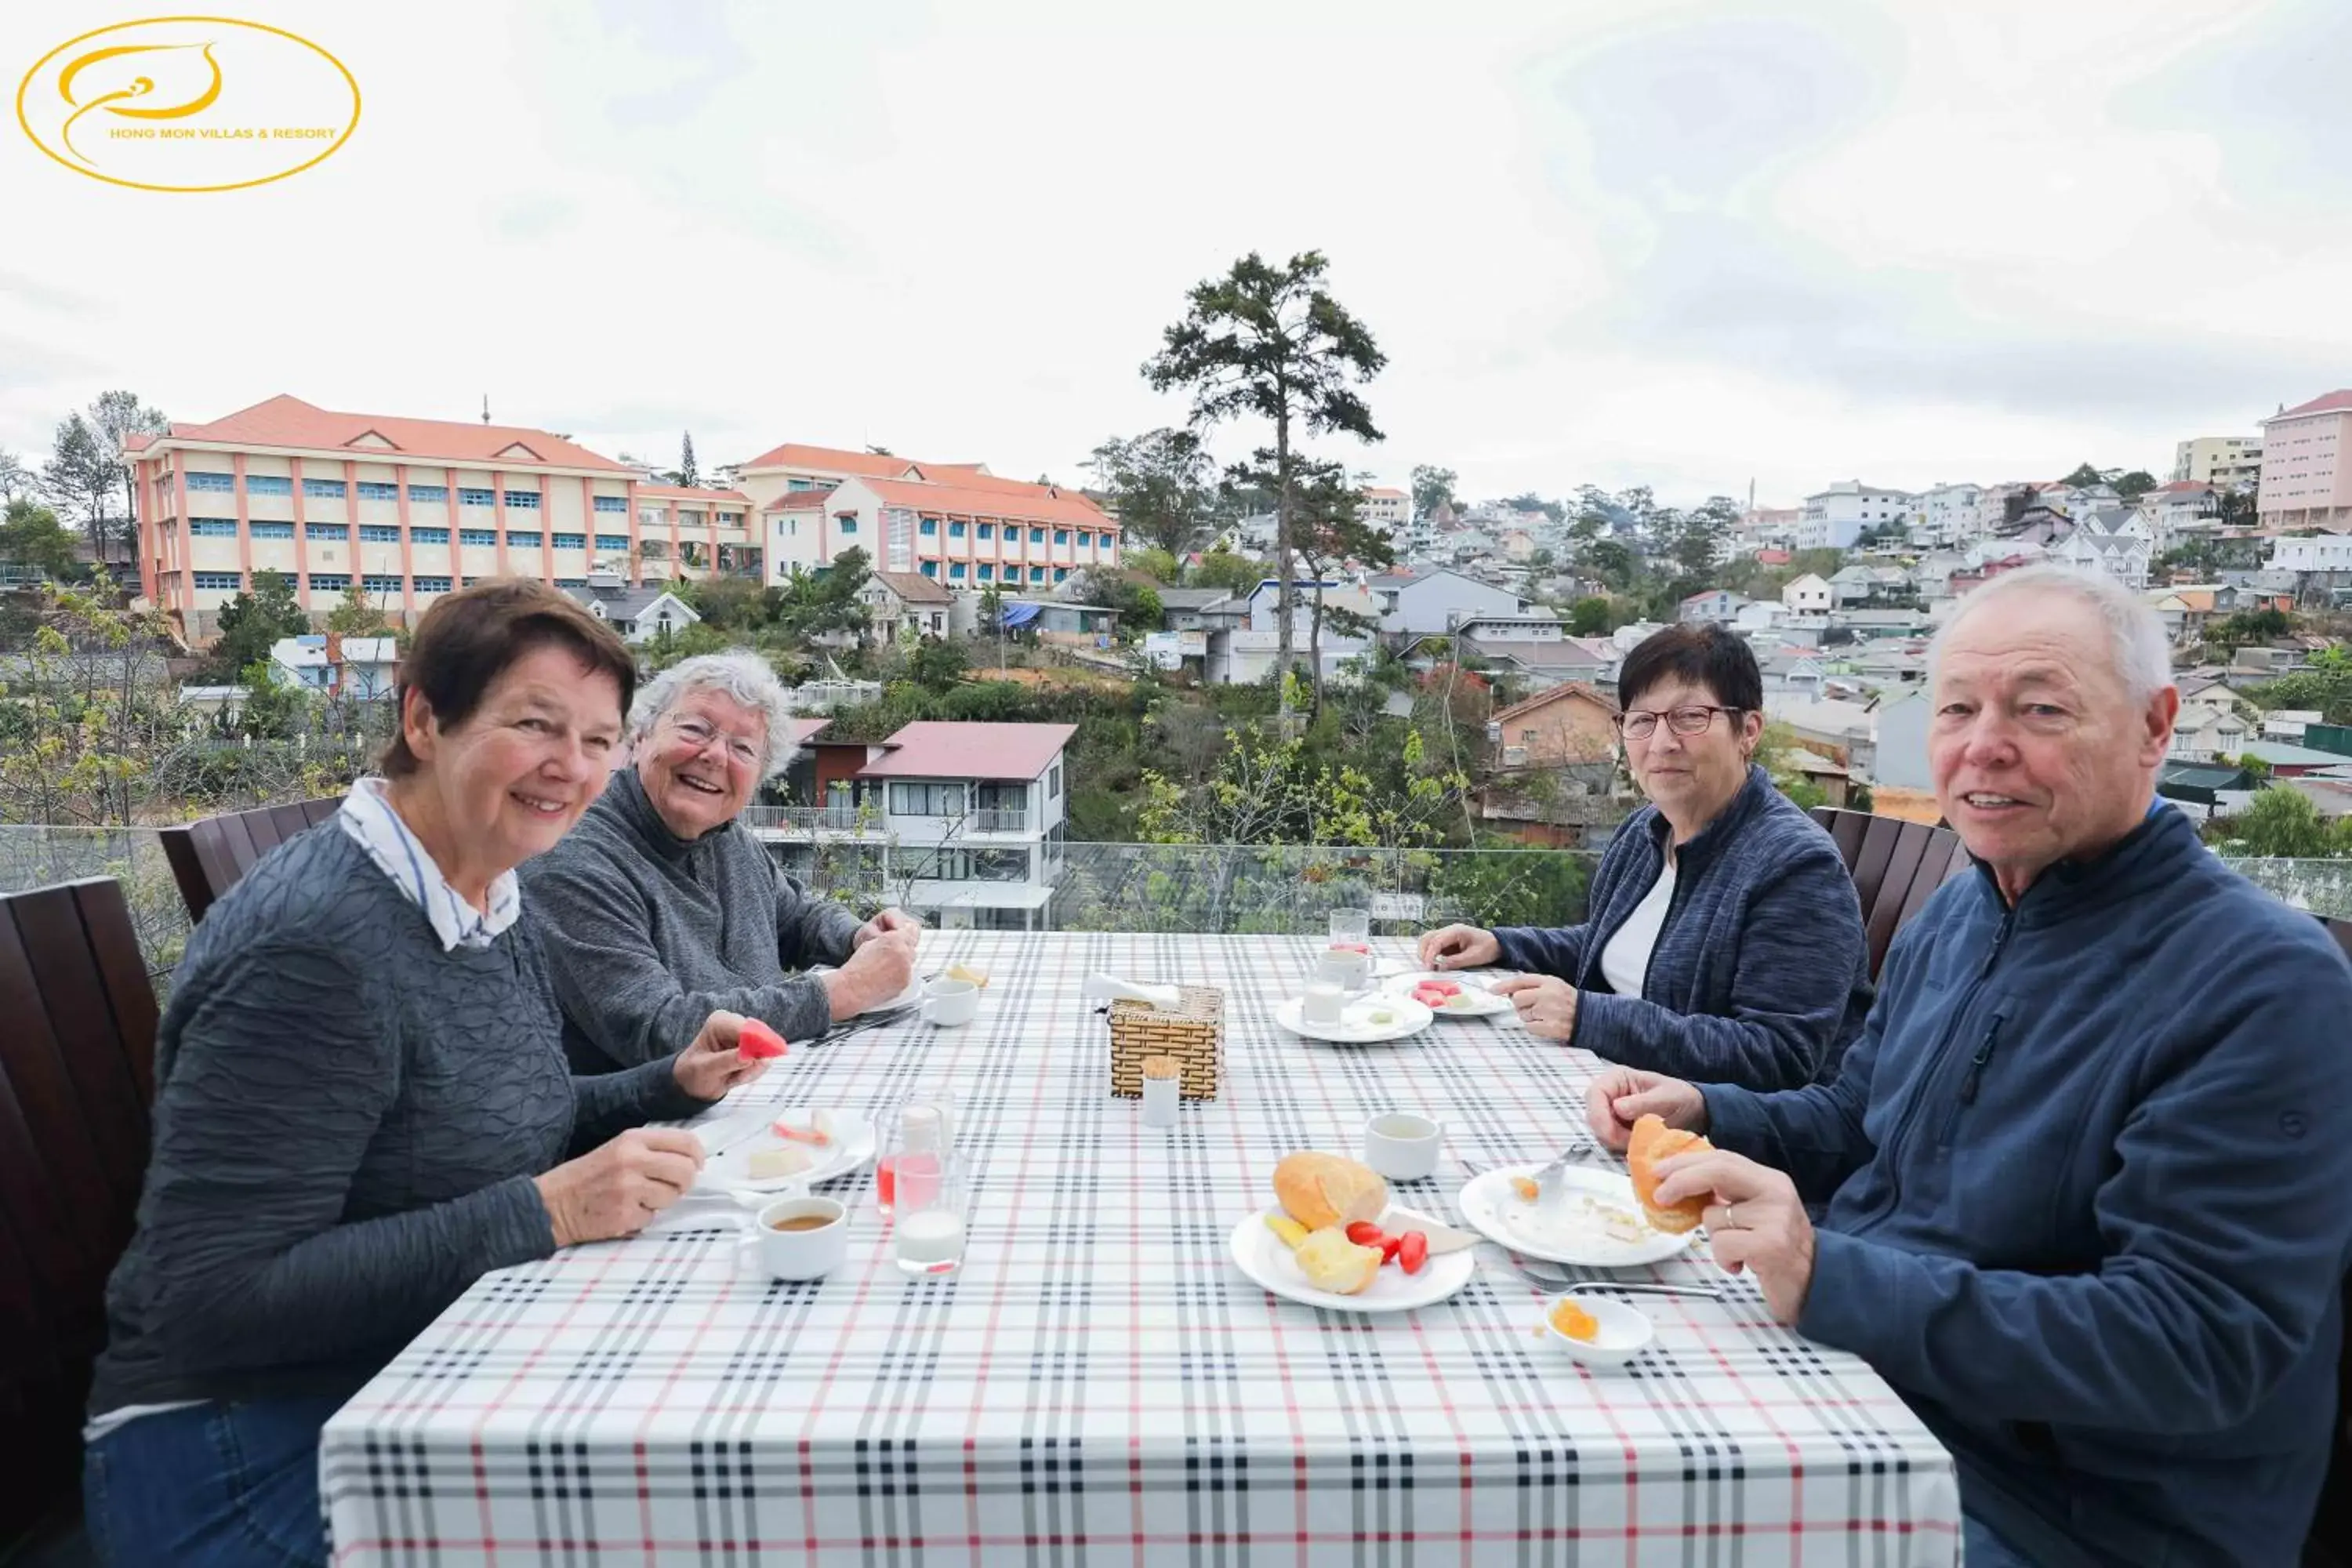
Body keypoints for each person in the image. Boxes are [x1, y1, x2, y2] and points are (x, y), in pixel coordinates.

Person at [1585, 564, 2352, 1568]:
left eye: (2040, 708)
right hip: (1875, 1384)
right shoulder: (1963, 907)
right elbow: (1862, 1117)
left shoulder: (2263, 983)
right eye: (1957, 707)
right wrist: (1706, 1108)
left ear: (2156, 728)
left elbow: (2196, 1342)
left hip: (2063, 1507)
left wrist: (1829, 1271)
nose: (1985, 744)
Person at [82, 580, 776, 1566]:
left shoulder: (482, 886)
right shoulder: (313, 946)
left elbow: (495, 1110)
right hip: (242, 1448)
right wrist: (548, 1212)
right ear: (423, 719)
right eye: (535, 723)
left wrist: (667, 1083)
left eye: (595, 737)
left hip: (416, 1367)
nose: (569, 767)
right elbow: (212, 1297)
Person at [1420, 622, 1871, 1091]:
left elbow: (1778, 1056)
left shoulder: (1797, 868)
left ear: (1749, 730)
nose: (1661, 743)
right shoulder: (1646, 831)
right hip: (1614, 1083)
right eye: (1642, 721)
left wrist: (1589, 1016)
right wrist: (1502, 944)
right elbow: (1613, 946)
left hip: (1726, 1140)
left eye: (1690, 717)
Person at [521, 651, 920, 1073]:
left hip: (757, 1087)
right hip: (650, 1129)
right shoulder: (572, 860)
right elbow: (658, 1029)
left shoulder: (725, 836)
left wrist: (858, 936)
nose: (715, 756)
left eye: (743, 749)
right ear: (639, 737)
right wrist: (844, 991)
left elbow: (796, 918)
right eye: (695, 729)